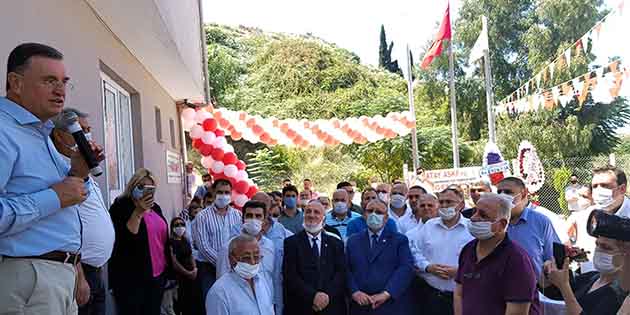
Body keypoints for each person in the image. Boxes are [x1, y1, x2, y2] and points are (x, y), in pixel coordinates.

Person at [0, 43, 97, 314]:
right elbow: (56, 197)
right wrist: (54, 197)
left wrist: (78, 171)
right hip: (28, 278)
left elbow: (62, 203)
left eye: (64, 82)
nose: (60, 91)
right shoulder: (3, 131)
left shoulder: (40, 132)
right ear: (15, 83)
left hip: (59, 277)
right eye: (49, 80)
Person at [51, 108, 115, 315]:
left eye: (88, 130)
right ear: (59, 135)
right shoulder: (57, 171)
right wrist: (78, 273)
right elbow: (63, 225)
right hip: (78, 272)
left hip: (96, 271)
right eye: (79, 130)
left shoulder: (82, 166)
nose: (86, 136)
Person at [454, 193, 541, 315]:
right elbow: (459, 293)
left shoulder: (516, 260)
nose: (473, 218)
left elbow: (516, 312)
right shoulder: (468, 250)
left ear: (502, 225)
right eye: (475, 211)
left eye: (483, 215)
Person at [109, 168, 170, 315]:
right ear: (133, 186)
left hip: (157, 276)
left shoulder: (155, 208)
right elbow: (125, 240)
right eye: (141, 186)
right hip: (132, 278)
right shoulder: (121, 205)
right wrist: (138, 212)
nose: (145, 191)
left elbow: (162, 240)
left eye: (150, 188)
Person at [408, 188, 473, 315]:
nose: (444, 206)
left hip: (464, 296)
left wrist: (460, 272)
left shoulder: (471, 228)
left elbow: (483, 261)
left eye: (449, 202)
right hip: (432, 296)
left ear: (461, 205)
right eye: (441, 202)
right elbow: (415, 252)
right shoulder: (429, 226)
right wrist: (427, 267)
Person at [346, 199, 415, 315]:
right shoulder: (353, 240)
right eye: (370, 211)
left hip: (389, 306)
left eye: (379, 212)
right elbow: (346, 268)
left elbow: (405, 268)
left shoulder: (399, 240)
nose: (373, 215)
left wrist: (386, 293)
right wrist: (355, 292)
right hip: (360, 305)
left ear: (386, 218)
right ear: (364, 215)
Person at [284, 200, 348, 315]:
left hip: (331, 306)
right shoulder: (291, 243)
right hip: (302, 306)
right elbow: (290, 274)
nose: (311, 215)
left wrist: (326, 296)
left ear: (323, 218)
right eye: (308, 212)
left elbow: (341, 273)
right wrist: (313, 296)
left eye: (316, 212)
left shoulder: (336, 243)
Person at [544, 236, 627, 315]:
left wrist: (564, 287)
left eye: (606, 247)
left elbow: (566, 292)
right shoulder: (591, 277)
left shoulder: (621, 294)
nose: (598, 250)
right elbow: (553, 294)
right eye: (597, 244)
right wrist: (547, 273)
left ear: (625, 255)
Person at [497, 177, 562, 278]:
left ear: (523, 194)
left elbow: (551, 256)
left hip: (536, 288)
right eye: (499, 192)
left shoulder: (541, 221)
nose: (502, 196)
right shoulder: (493, 222)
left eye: (508, 192)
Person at [191, 179, 242, 298]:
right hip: (209, 268)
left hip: (234, 268)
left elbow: (239, 240)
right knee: (212, 300)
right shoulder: (202, 216)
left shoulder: (237, 215)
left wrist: (233, 264)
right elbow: (203, 246)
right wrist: (223, 263)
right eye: (220, 192)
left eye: (227, 192)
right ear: (213, 193)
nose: (223, 196)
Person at [205, 235, 274, 315]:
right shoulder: (219, 293)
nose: (252, 262)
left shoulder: (262, 281)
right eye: (246, 257)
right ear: (231, 259)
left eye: (256, 257)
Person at [215, 201, 275, 288]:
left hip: (265, 299)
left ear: (265, 220)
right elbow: (221, 281)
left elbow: (271, 277)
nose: (253, 219)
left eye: (258, 216)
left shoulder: (270, 245)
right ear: (243, 219)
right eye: (249, 216)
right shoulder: (228, 248)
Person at [253, 192, 292, 315]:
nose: (259, 209)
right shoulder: (238, 230)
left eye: (263, 205)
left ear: (270, 208)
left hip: (276, 293)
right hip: (250, 293)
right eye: (255, 204)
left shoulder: (281, 231)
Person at [168, 217, 203, 315]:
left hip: (191, 277)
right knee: (180, 305)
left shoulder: (185, 240)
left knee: (192, 304)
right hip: (180, 279)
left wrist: (195, 269)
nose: (180, 227)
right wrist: (187, 273)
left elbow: (190, 255)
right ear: (172, 227)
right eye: (177, 225)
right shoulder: (171, 243)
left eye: (182, 224)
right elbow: (174, 262)